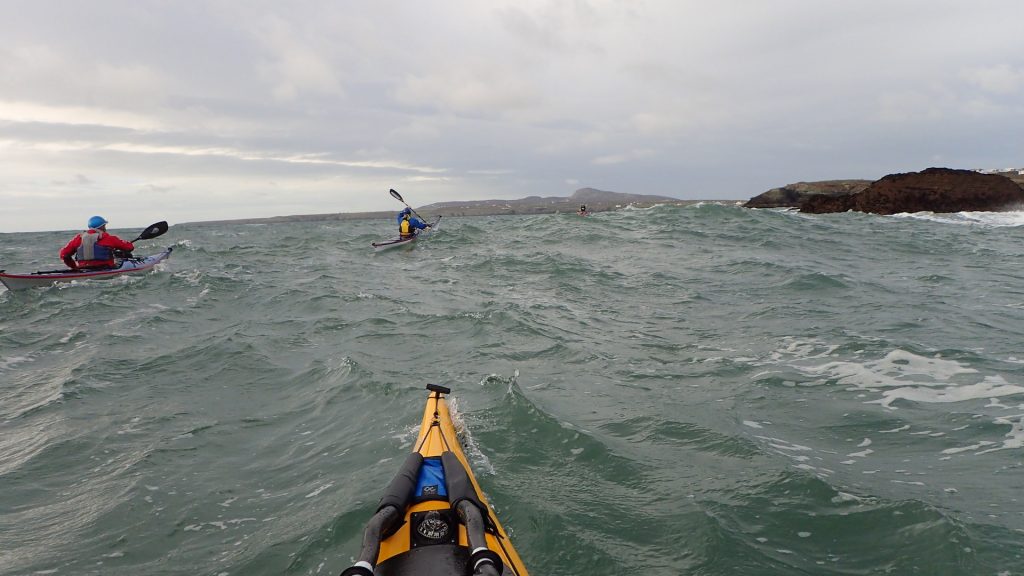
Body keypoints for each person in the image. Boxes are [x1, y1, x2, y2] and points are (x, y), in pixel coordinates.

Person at [59, 216, 135, 270]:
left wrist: (74, 267)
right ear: (101, 227)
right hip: (106, 269)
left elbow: (63, 254)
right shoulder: (109, 238)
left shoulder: (78, 238)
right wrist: (127, 244)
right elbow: (129, 247)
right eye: (104, 226)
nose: (105, 228)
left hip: (83, 269)